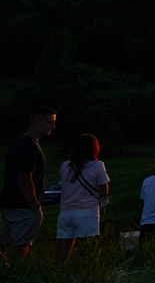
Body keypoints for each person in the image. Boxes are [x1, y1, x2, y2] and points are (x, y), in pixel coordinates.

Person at [3, 109, 52, 260]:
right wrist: (34, 206)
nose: (53, 126)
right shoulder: (29, 146)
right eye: (49, 122)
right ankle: (16, 275)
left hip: (8, 203)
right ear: (37, 122)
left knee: (5, 244)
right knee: (20, 248)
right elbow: (25, 178)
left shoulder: (18, 143)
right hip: (23, 207)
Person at [54, 135, 109, 256]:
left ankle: (59, 273)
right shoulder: (97, 165)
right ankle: (82, 273)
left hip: (65, 213)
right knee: (86, 253)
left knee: (61, 253)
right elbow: (104, 190)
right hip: (87, 213)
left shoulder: (65, 166)